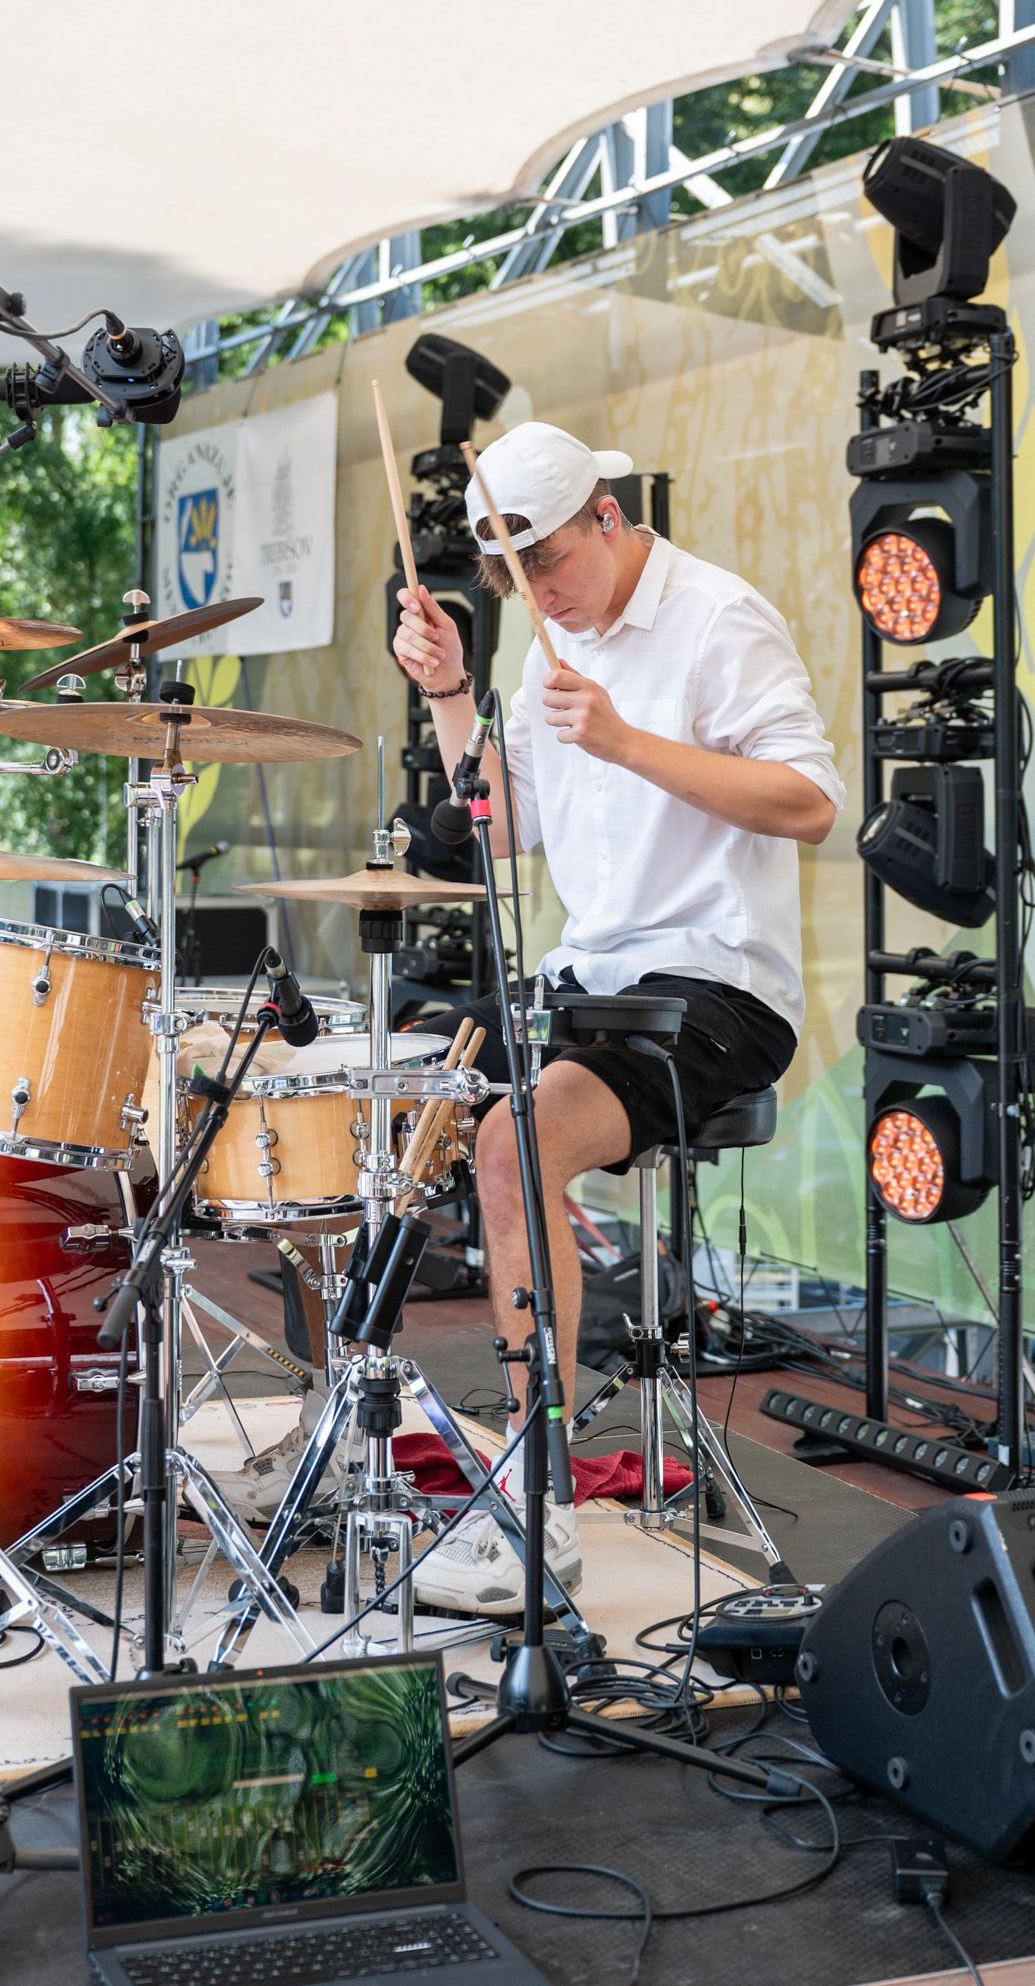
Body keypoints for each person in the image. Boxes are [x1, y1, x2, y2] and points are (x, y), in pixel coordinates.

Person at [389, 421, 845, 1615]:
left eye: (550, 562)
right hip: (597, 990)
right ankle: (412, 1432)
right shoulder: (548, 641)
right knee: (408, 1099)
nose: (541, 593)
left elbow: (809, 803)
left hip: (716, 990)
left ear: (606, 515)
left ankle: (535, 1497)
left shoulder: (717, 616)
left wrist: (629, 741)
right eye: (516, 578)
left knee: (510, 1142)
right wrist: (449, 693)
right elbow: (498, 829)